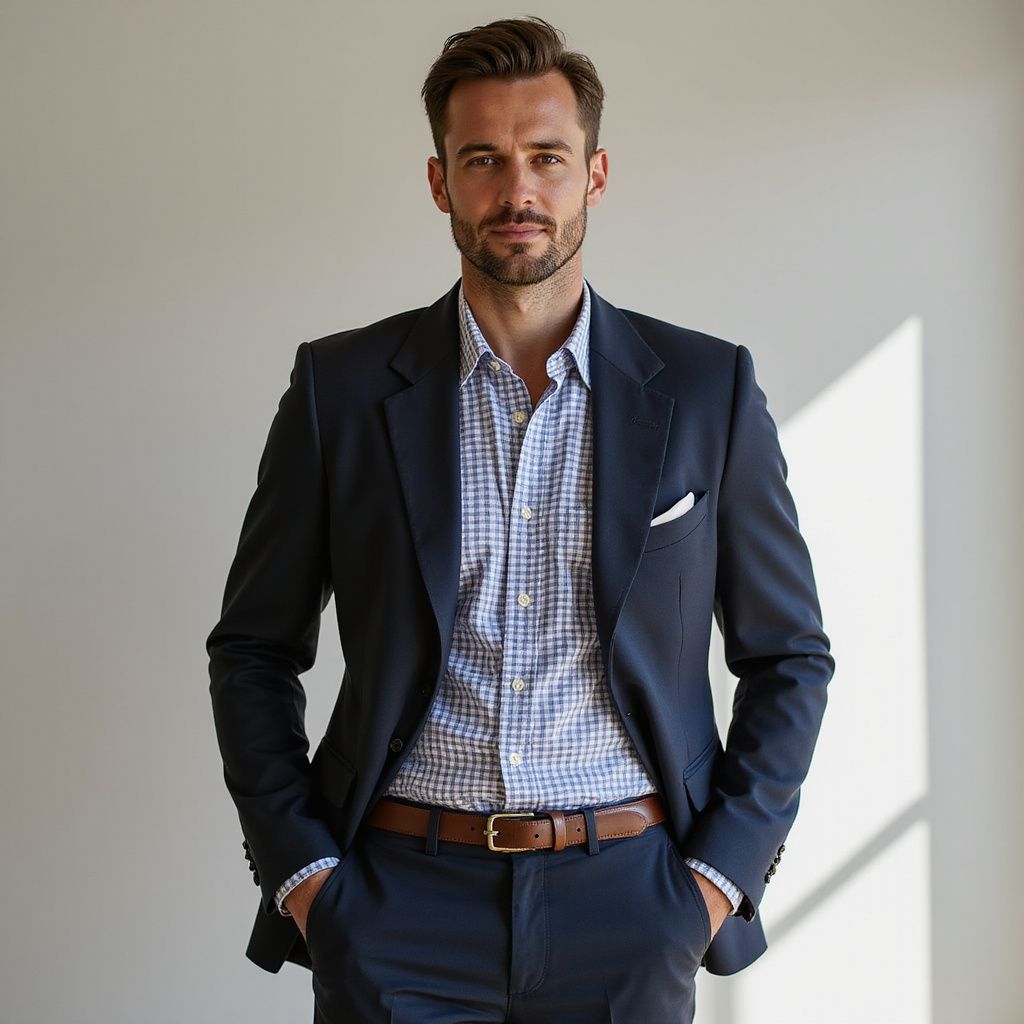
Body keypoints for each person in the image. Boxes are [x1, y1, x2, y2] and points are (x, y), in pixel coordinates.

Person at [207, 16, 835, 1023]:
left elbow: (788, 655)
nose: (517, 191)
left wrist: (713, 880)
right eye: (483, 160)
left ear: (593, 172)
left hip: (632, 903)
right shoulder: (343, 387)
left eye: (546, 156)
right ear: (439, 180)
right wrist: (307, 879)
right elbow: (252, 649)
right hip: (394, 906)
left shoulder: (708, 389)